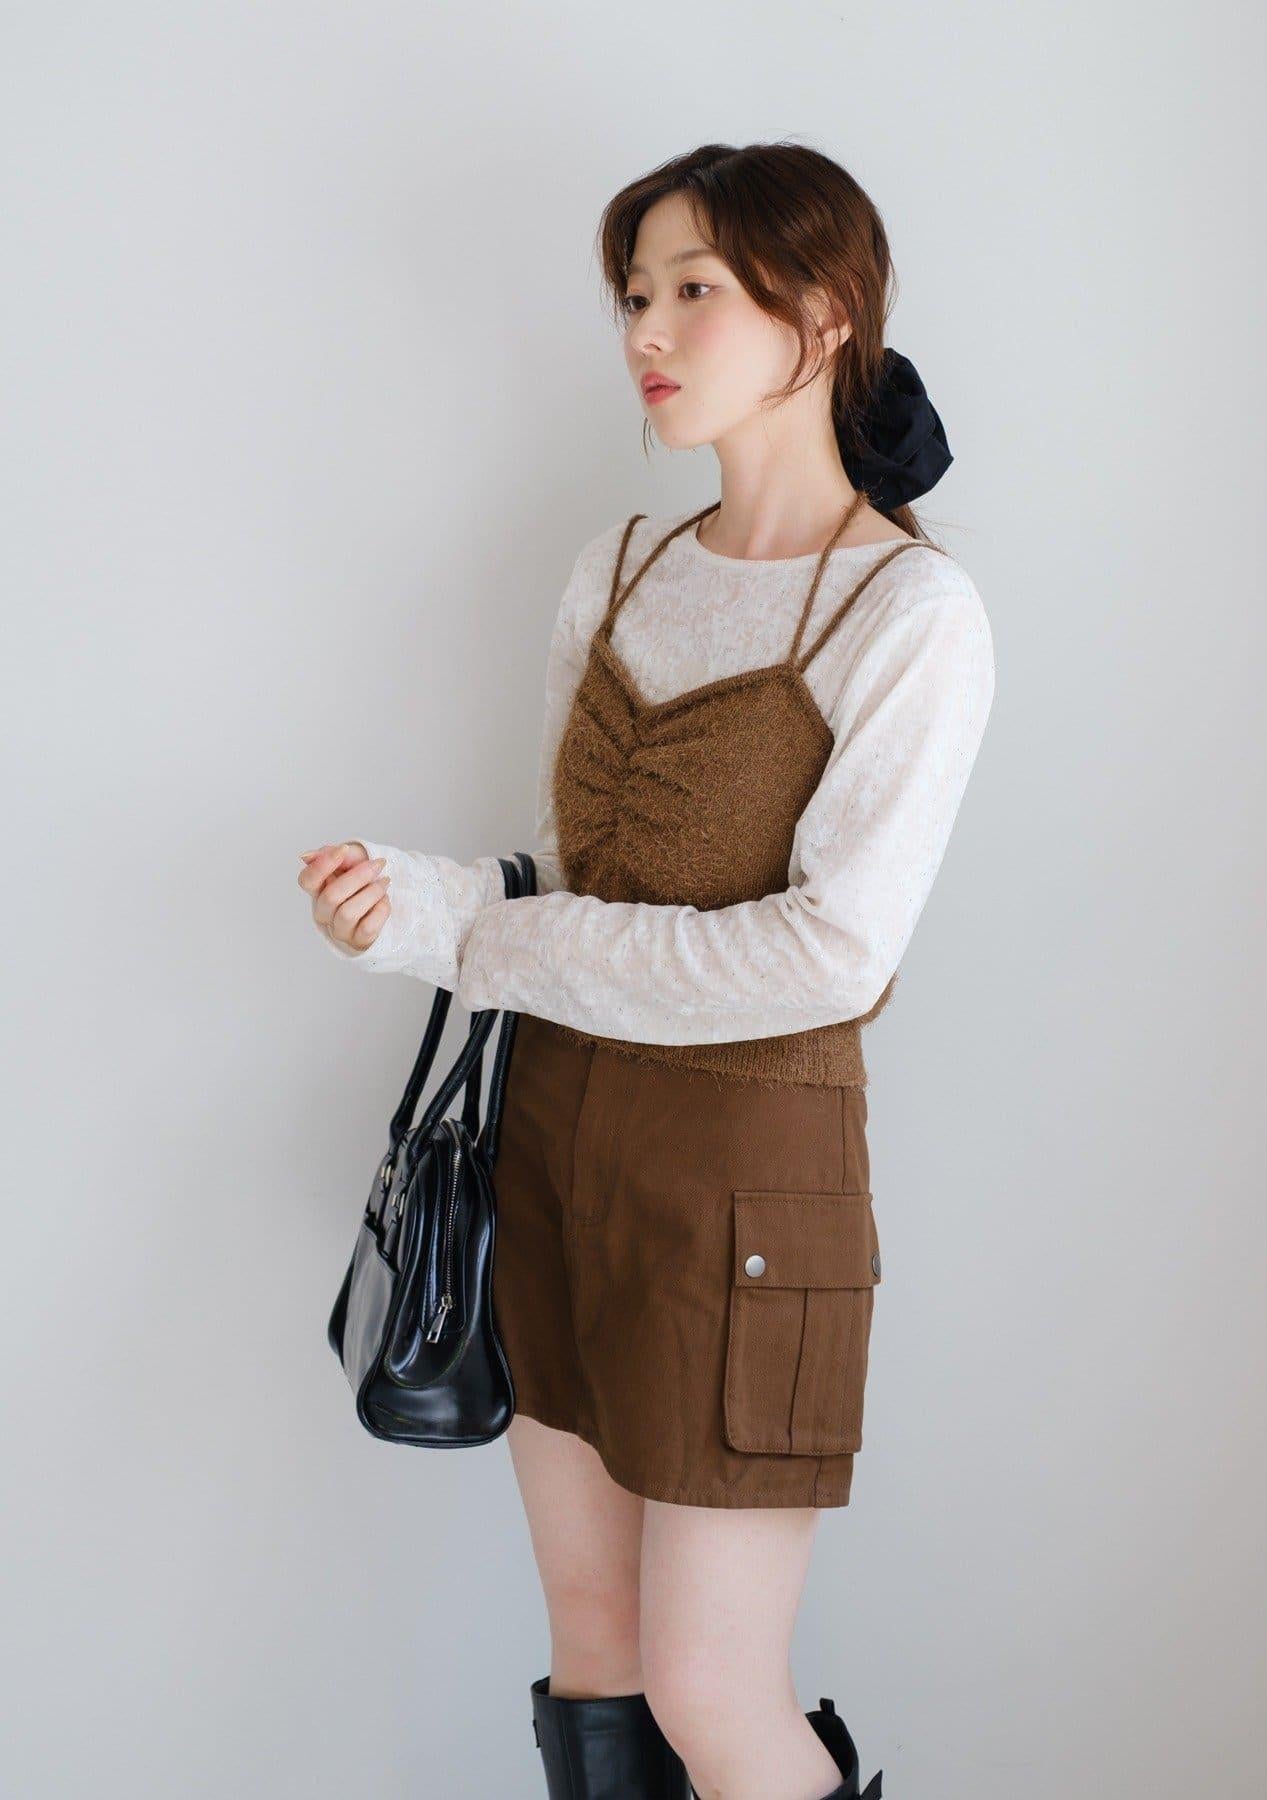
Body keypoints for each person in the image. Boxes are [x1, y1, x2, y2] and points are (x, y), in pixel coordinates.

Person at [300, 140, 994, 1800]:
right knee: (599, 1653)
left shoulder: (912, 613)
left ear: (823, 315)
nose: (649, 332)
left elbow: (828, 956)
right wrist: (413, 906)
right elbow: (569, 877)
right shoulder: (621, 567)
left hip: (747, 1191)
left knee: (708, 1688)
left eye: (695, 290)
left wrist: (496, 940)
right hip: (552, 1148)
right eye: (634, 295)